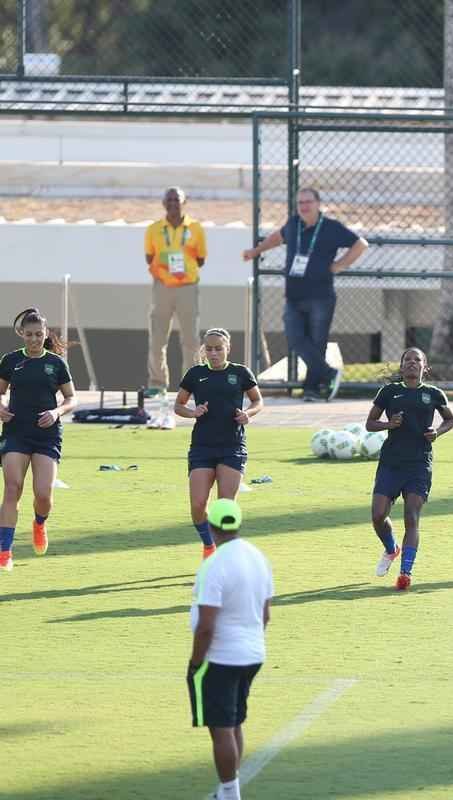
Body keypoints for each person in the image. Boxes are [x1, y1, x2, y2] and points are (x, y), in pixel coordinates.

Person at [241, 187, 368, 402]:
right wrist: (256, 251)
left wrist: (340, 265)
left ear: (318, 204)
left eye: (308, 202)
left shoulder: (330, 227)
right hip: (294, 296)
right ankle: (329, 373)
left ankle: (312, 390)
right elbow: (276, 238)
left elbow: (360, 244)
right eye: (300, 203)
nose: (304, 206)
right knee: (295, 339)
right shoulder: (293, 224)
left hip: (321, 296)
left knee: (317, 343)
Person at [188, 498, 273, 800]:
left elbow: (207, 624)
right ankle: (229, 791)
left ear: (210, 527)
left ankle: (229, 794)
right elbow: (265, 614)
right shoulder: (257, 557)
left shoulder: (214, 565)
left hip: (221, 657)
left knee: (220, 727)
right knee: (234, 722)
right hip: (253, 654)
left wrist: (196, 662)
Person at [365, 347, 453, 590]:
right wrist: (388, 424)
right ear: (402, 366)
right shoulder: (389, 392)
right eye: (408, 360)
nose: (412, 363)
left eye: (418, 360)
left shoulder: (434, 394)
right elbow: (369, 423)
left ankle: (406, 573)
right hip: (392, 463)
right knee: (377, 516)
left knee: (411, 518)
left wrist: (437, 432)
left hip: (419, 464)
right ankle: (391, 548)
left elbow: (450, 420)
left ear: (425, 367)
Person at [175, 329, 263, 561]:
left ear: (227, 349)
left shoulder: (240, 372)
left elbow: (257, 400)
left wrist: (248, 414)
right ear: (204, 350)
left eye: (218, 348)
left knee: (225, 505)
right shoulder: (195, 374)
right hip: (202, 447)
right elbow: (179, 405)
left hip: (232, 446)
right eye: (209, 349)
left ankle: (225, 553)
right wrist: (193, 412)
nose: (213, 353)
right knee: (197, 504)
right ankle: (208, 545)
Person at [0, 308, 76, 572]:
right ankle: (5, 552)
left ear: (46, 335)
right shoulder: (10, 360)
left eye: (39, 334)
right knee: (12, 487)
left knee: (43, 494)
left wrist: (56, 412)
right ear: (22, 334)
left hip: (46, 435)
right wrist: (0, 406)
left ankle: (39, 523)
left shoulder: (56, 363)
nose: (34, 339)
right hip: (16, 431)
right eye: (29, 334)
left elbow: (71, 399)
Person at [145, 186, 207, 429]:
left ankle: (191, 383)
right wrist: (166, 271)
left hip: (188, 287)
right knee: (158, 336)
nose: (173, 203)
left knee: (190, 338)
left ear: (185, 202)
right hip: (162, 286)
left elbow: (201, 258)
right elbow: (149, 257)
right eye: (169, 199)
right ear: (163, 203)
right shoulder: (153, 229)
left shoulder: (195, 228)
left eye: (177, 199)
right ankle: (157, 384)